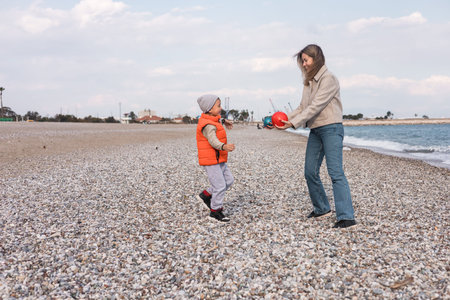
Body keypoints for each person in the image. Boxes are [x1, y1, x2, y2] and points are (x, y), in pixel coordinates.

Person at [276, 44, 356, 229]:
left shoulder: (329, 79)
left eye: (306, 60)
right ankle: (321, 208)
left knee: (335, 173)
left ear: (316, 58)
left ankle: (346, 216)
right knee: (310, 171)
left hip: (331, 128)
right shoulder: (308, 81)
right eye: (302, 61)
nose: (303, 64)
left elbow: (316, 107)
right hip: (316, 130)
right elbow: (302, 107)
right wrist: (283, 121)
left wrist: (293, 124)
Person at [196, 94, 235, 222]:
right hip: (211, 160)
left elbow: (217, 120)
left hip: (219, 159)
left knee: (228, 180)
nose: (221, 107)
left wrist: (224, 121)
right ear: (209, 109)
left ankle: (206, 195)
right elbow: (213, 141)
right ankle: (215, 211)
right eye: (218, 106)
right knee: (219, 186)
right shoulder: (208, 126)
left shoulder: (213, 119)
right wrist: (224, 146)